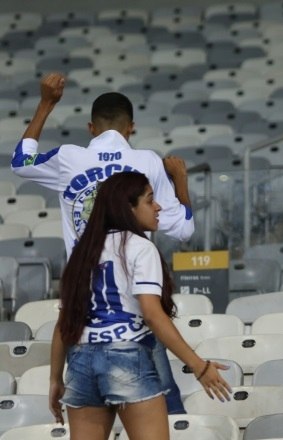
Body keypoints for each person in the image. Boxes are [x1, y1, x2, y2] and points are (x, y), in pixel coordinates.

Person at [11, 72, 193, 414]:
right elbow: (183, 229)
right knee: (165, 417)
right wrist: (181, 181)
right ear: (131, 128)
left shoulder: (69, 157)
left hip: (84, 310)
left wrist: (47, 103)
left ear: (91, 128)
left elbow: (20, 163)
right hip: (136, 309)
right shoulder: (147, 162)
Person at [49, 171, 231, 439]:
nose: (157, 207)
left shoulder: (82, 251)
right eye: (149, 200)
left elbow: (64, 324)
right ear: (128, 208)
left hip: (81, 360)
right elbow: (152, 314)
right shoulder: (140, 248)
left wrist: (55, 379)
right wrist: (198, 366)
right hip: (127, 355)